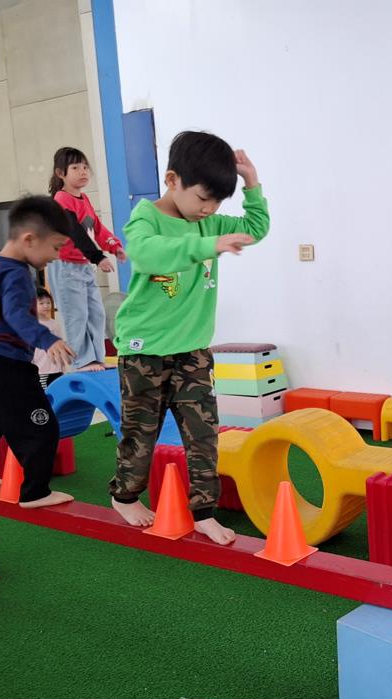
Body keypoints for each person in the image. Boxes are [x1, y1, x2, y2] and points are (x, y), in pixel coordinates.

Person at [108, 131, 269, 543]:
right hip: (144, 349)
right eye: (203, 198)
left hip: (193, 350)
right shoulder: (145, 218)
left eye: (217, 202)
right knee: (141, 431)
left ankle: (203, 511)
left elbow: (256, 227)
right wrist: (209, 244)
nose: (209, 209)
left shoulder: (208, 221)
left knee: (203, 433)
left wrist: (251, 182)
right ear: (172, 180)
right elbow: (147, 254)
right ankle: (125, 496)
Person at [0, 196, 76, 508]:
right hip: (6, 361)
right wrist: (47, 339)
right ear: (29, 239)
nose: (56, 256)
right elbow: (16, 315)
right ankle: (36, 492)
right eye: (55, 247)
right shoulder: (18, 274)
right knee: (41, 427)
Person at [48, 146, 127, 372]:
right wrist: (98, 256)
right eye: (75, 168)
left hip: (83, 266)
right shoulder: (61, 199)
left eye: (85, 167)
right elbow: (74, 230)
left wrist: (114, 246)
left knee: (96, 313)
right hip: (66, 266)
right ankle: (82, 360)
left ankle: (96, 358)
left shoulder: (84, 199)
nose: (83, 171)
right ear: (60, 173)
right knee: (77, 314)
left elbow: (97, 228)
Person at [32, 286, 65, 389]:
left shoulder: (55, 324)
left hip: (57, 369)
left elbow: (60, 345)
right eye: (41, 303)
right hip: (40, 369)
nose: (46, 306)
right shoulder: (33, 324)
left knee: (57, 391)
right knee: (43, 393)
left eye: (48, 302)